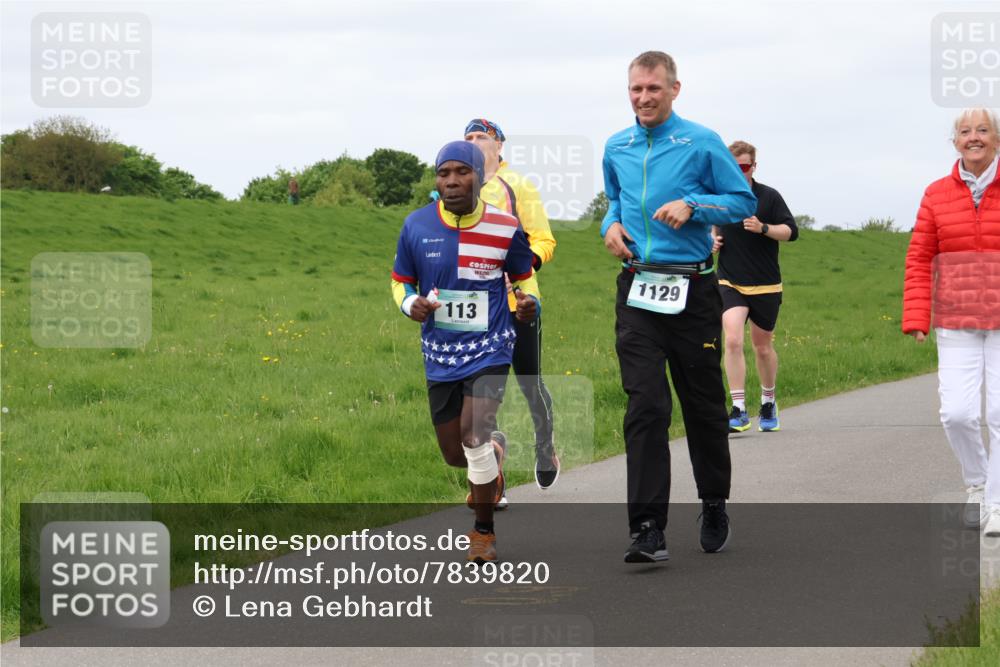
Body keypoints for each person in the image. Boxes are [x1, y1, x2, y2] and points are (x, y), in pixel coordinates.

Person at [601, 51, 756, 562]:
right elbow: (616, 203)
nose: (643, 98)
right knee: (646, 405)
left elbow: (741, 201)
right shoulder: (617, 146)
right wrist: (611, 228)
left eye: (653, 89)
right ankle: (647, 528)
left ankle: (713, 501)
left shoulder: (703, 141)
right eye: (635, 89)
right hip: (638, 290)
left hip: (692, 292)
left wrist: (694, 205)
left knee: (703, 406)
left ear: (675, 89)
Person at [390, 141, 541, 562]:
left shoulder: (505, 226)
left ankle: (483, 534)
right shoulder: (416, 226)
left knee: (473, 435)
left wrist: (529, 305)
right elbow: (400, 280)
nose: (452, 181)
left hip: (492, 346)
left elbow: (524, 279)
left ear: (479, 175)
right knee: (457, 454)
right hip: (440, 352)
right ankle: (493, 458)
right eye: (444, 173)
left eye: (462, 172)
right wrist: (409, 304)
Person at [903, 107, 1000, 537]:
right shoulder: (936, 193)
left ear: (996, 139)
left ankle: (995, 501)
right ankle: (977, 483)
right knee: (957, 414)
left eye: (982, 130)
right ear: (955, 141)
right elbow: (920, 257)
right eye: (965, 131)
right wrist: (916, 316)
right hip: (957, 319)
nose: (973, 137)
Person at [464, 118, 560, 499]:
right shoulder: (457, 186)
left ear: (499, 145)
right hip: (474, 307)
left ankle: (544, 447)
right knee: (480, 391)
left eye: (482, 136)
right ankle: (493, 469)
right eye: (468, 137)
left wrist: (520, 271)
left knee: (528, 382)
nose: (474, 142)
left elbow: (544, 240)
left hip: (518, 302)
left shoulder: (517, 185)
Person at [712, 141, 798, 433]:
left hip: (765, 285)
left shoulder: (769, 197)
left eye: (745, 167)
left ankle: (768, 401)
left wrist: (763, 228)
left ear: (754, 167)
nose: (739, 172)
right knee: (733, 340)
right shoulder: (722, 197)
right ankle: (737, 409)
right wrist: (712, 241)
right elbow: (711, 225)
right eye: (733, 167)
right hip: (729, 280)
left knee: (762, 347)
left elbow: (790, 232)